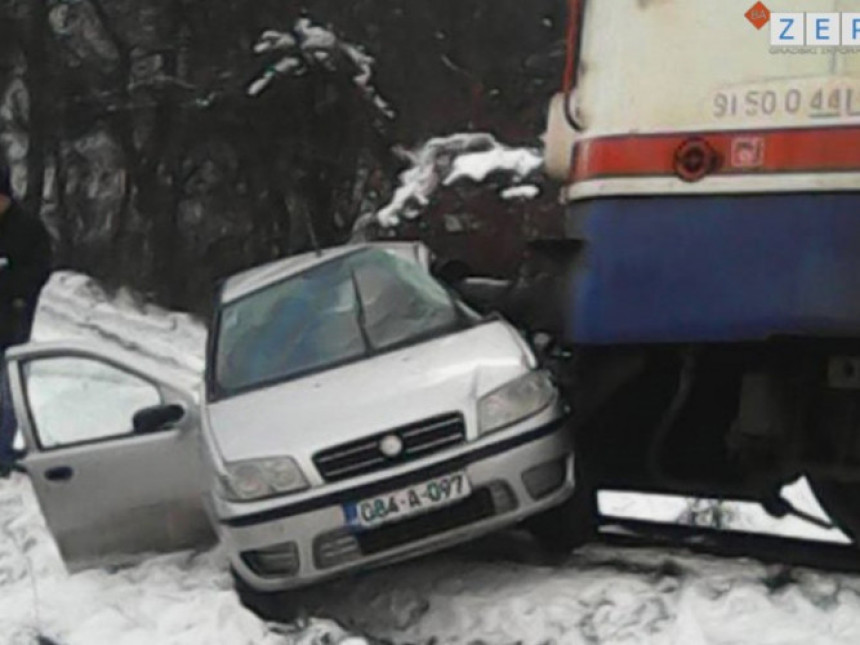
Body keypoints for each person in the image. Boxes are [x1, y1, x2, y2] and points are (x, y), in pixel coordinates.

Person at [0, 162, 52, 476]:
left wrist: (9, 283)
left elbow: (38, 272)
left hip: (12, 326)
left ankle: (2, 450)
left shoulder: (28, 229)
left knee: (8, 394)